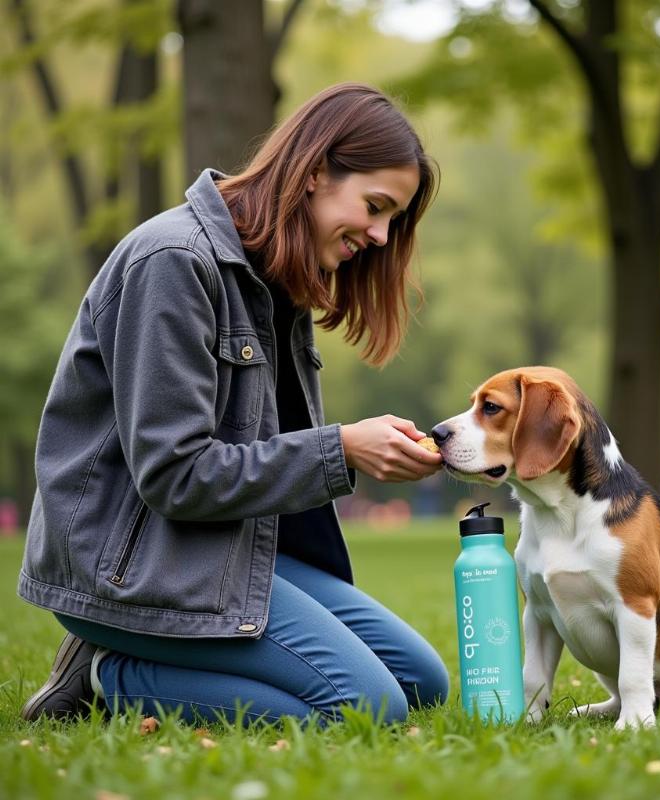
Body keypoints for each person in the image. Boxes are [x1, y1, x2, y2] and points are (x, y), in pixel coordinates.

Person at [18, 83, 448, 727]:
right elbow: (175, 475)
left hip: (221, 550)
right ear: (313, 172)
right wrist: (344, 447)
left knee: (422, 682)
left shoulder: (277, 276)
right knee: (367, 709)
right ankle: (114, 673)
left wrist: (344, 447)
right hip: (127, 568)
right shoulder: (173, 261)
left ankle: (158, 660)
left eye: (394, 219)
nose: (383, 236)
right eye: (376, 206)